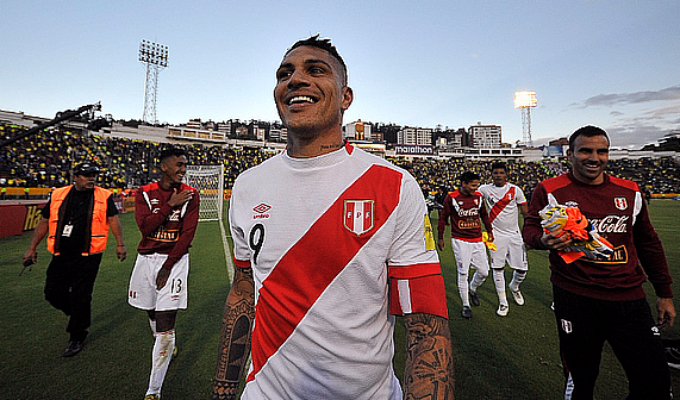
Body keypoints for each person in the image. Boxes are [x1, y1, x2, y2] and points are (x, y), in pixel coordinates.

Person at [212, 35, 454, 400]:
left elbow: (426, 322)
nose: (295, 79)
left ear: (345, 97)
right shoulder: (248, 185)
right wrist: (223, 389)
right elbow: (244, 291)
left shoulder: (395, 185)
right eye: (284, 74)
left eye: (316, 70)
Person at [522, 125, 675, 400]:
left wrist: (664, 293)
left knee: (655, 384)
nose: (594, 158)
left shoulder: (630, 191)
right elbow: (530, 228)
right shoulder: (550, 189)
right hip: (575, 298)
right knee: (581, 381)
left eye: (601, 151)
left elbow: (648, 243)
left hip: (629, 299)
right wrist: (542, 240)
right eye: (585, 151)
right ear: (570, 154)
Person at [22, 162, 126, 357]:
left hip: (89, 255)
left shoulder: (104, 196)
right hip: (61, 253)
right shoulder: (58, 194)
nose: (91, 179)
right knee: (52, 293)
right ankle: (78, 314)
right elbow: (44, 221)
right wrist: (32, 247)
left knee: (81, 295)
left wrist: (120, 243)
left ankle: (77, 336)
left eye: (93, 175)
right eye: (86, 175)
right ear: (75, 177)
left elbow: (113, 219)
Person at [128, 147, 200, 400]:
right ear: (164, 167)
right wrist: (169, 206)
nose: (183, 169)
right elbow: (146, 228)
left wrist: (168, 266)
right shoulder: (145, 193)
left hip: (175, 261)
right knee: (150, 310)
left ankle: (153, 391)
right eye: (179, 165)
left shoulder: (191, 195)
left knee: (166, 323)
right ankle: (165, 344)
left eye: (185, 165)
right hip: (146, 260)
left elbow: (187, 235)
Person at [437, 171, 494, 319]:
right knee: (463, 272)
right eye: (473, 185)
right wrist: (440, 237)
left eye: (477, 185)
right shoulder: (452, 197)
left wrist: (489, 231)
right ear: (464, 184)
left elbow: (484, 215)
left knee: (484, 271)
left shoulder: (478, 197)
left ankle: (472, 288)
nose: (476, 188)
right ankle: (465, 305)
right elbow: (443, 218)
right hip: (460, 240)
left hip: (477, 239)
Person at [478, 161, 529, 317]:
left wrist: (528, 233)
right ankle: (503, 302)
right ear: (491, 175)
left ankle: (514, 287)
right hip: (495, 235)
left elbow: (525, 213)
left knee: (522, 269)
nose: (498, 175)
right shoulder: (484, 189)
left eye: (501, 173)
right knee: (498, 268)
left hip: (514, 234)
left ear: (506, 174)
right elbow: (470, 197)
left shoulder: (515, 190)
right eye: (495, 173)